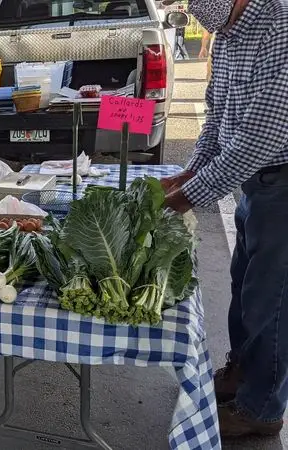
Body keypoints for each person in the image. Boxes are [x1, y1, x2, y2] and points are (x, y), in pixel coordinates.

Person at [159, 0, 288, 439]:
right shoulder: (229, 35)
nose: (195, 8)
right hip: (255, 183)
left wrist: (188, 196)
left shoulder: (280, 25)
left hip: (283, 180)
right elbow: (217, 114)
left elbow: (261, 135)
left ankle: (262, 410)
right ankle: (242, 373)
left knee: (272, 301)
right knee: (245, 286)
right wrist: (192, 168)